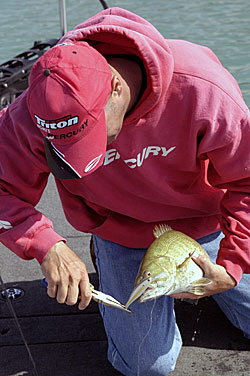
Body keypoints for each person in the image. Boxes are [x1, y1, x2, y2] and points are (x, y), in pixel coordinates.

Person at [0, 6, 250, 375]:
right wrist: (46, 244)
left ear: (116, 88)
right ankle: (106, 255)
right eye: (66, 152)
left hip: (208, 224)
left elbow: (246, 181)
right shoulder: (30, 112)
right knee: (147, 366)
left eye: (92, 138)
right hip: (119, 230)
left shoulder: (204, 88)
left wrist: (231, 265)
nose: (88, 157)